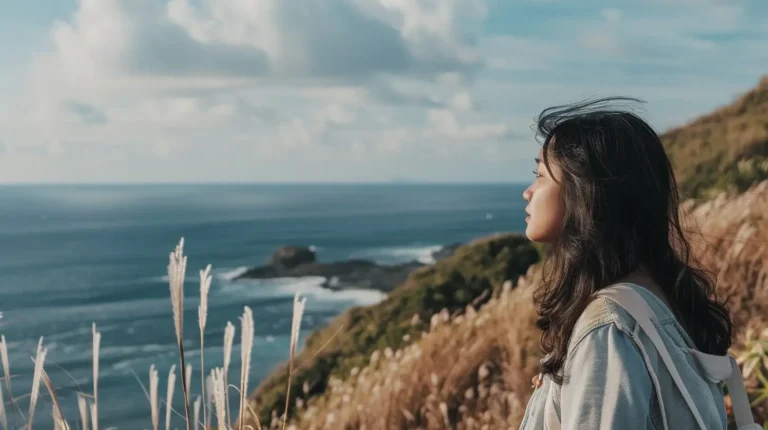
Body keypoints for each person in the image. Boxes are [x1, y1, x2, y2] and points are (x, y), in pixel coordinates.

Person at [517, 97, 737, 429]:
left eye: (541, 174)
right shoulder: (663, 298)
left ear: (584, 191)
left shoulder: (608, 327)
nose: (528, 192)